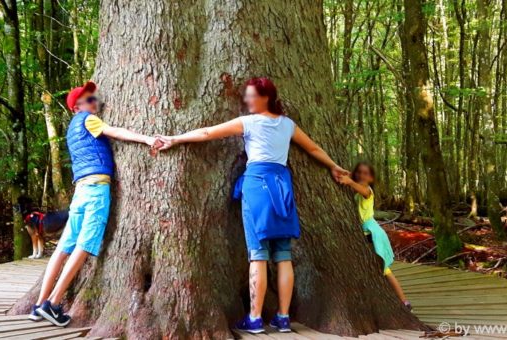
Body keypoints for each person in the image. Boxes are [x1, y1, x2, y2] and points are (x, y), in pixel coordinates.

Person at [156, 77, 348, 334]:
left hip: (258, 185)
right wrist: (333, 165)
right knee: (283, 254)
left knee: (258, 252)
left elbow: (207, 133)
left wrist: (175, 138)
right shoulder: (287, 125)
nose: (246, 100)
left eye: (250, 96)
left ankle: (255, 318)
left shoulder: (249, 123)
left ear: (265, 97)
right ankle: (282, 318)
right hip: (282, 187)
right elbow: (312, 148)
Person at [30, 81, 161, 327]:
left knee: (64, 247)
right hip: (95, 189)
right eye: (90, 99)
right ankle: (54, 303)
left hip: (80, 191)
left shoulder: (70, 129)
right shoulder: (88, 120)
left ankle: (39, 304)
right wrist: (146, 139)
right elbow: (117, 132)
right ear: (77, 107)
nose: (95, 101)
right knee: (85, 244)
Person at [339, 162, 411, 310]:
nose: (361, 175)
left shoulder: (368, 192)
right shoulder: (357, 192)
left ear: (371, 178)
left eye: (365, 174)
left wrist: (350, 181)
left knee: (385, 269)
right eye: (359, 172)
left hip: (373, 234)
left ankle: (404, 301)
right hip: (366, 233)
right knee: (381, 269)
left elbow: (363, 191)